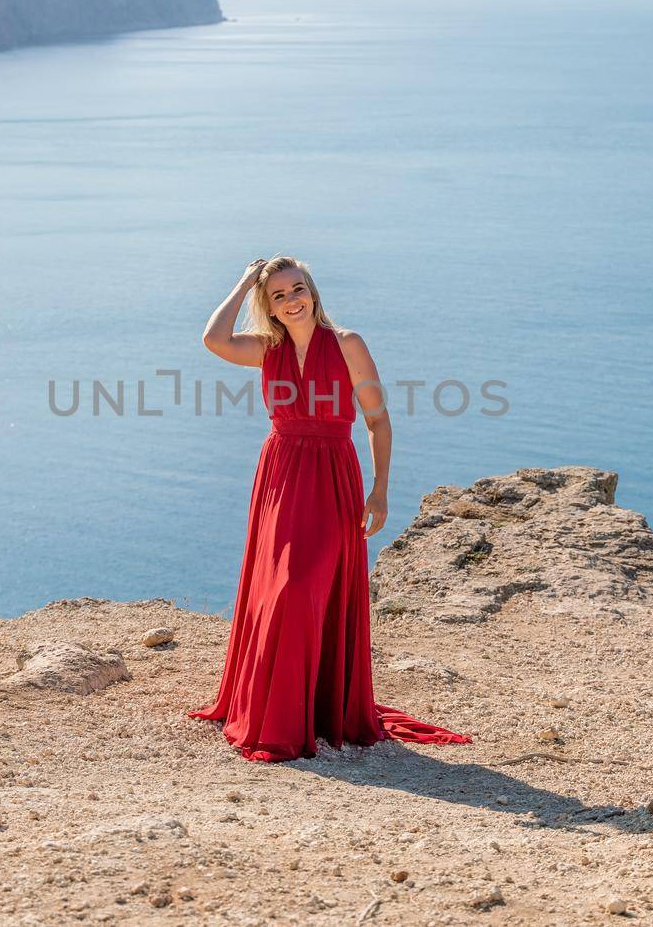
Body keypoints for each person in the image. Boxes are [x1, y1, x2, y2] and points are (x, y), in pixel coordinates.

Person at [188, 256, 471, 762]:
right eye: (278, 295)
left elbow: (378, 422)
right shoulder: (266, 349)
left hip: (333, 477)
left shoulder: (346, 344)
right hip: (280, 475)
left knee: (304, 588)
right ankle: (283, 710)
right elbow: (213, 339)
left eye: (298, 289)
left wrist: (381, 491)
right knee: (278, 588)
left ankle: (308, 711)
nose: (292, 300)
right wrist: (243, 281)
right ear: (268, 307)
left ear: (313, 291)